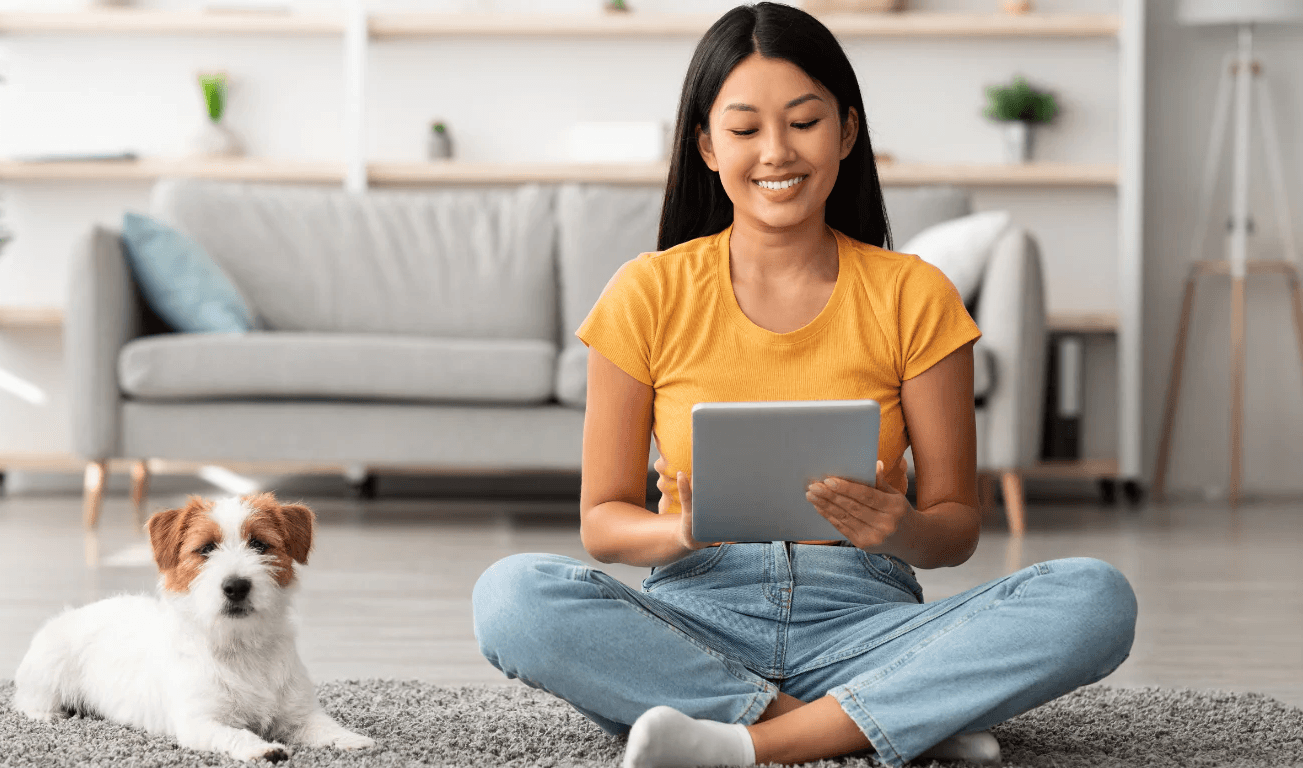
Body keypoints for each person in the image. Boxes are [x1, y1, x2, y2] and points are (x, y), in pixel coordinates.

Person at [472, 4, 1137, 767]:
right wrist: (681, 532)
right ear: (706, 144)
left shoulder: (914, 294)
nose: (776, 152)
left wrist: (901, 529)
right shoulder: (645, 293)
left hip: (866, 622)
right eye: (745, 128)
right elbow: (602, 522)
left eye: (804, 122)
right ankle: (885, 720)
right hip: (697, 617)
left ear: (847, 133)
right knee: (510, 595)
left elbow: (955, 526)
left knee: (1094, 596)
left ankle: (744, 742)